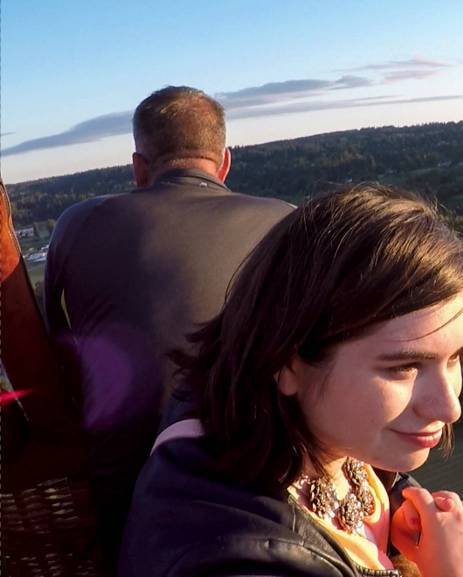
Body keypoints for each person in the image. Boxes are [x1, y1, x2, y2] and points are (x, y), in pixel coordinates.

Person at [119, 184, 463, 577]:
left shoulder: (271, 418)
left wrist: (399, 506)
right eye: (403, 368)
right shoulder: (233, 560)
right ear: (287, 363)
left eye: (456, 357)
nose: (449, 406)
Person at [43, 86, 294, 566]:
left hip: (130, 494)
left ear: (139, 168)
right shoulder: (286, 223)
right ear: (224, 162)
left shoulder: (77, 223)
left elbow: (58, 350)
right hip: (265, 481)